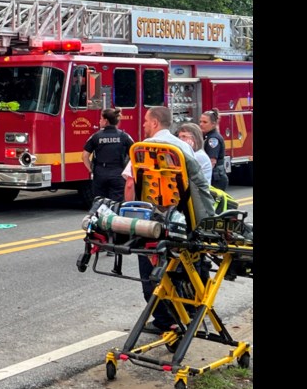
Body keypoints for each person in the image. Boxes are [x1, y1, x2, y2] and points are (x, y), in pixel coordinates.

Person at [121, 106, 215, 335]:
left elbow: (131, 183)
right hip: (181, 221)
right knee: (181, 268)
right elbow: (197, 185)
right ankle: (186, 313)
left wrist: (128, 214)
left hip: (152, 221)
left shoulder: (143, 149)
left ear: (154, 123)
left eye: (145, 121)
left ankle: (164, 320)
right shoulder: (183, 147)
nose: (143, 125)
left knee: (150, 270)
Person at [82, 108, 134, 202]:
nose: (99, 121)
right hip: (118, 173)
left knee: (100, 203)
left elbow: (85, 156)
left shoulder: (96, 136)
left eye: (101, 119)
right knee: (117, 203)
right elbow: (134, 155)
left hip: (100, 173)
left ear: (106, 121)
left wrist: (91, 169)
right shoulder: (124, 136)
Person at [199, 109, 229, 190]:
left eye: (205, 122)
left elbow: (212, 161)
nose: (201, 124)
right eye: (200, 121)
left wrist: (201, 176)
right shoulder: (207, 136)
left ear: (213, 124)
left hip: (216, 179)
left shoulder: (213, 139)